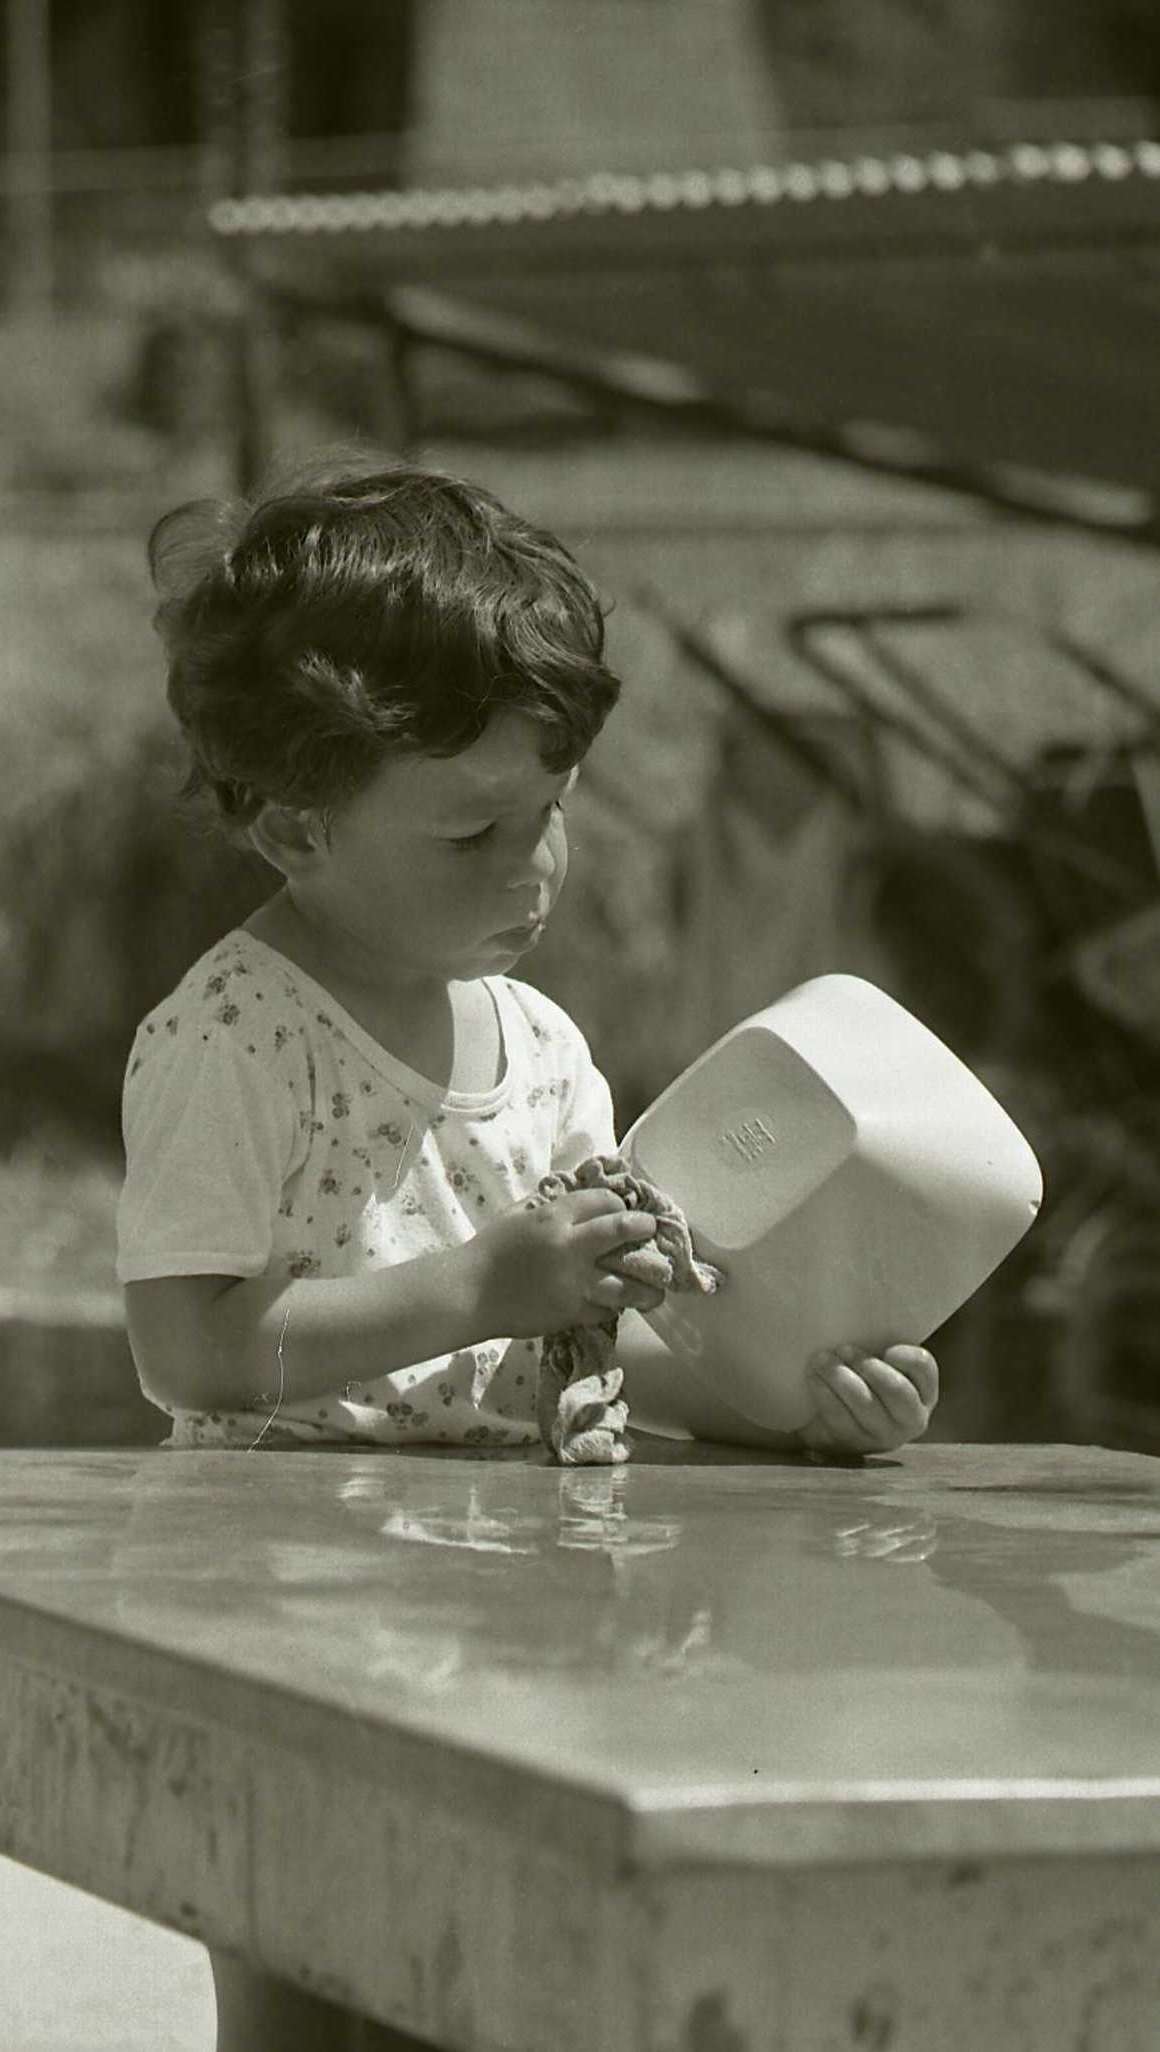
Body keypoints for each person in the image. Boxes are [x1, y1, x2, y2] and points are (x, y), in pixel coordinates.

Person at [117, 459, 937, 2048]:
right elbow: (192, 1349)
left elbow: (584, 1337)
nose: (531, 867)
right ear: (293, 826)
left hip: (505, 1606)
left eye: (550, 814)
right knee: (309, 2000)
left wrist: (788, 1405)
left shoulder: (545, 1045)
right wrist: (480, 1283)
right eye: (470, 832)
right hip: (279, 1607)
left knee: (485, 1988)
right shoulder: (232, 1037)